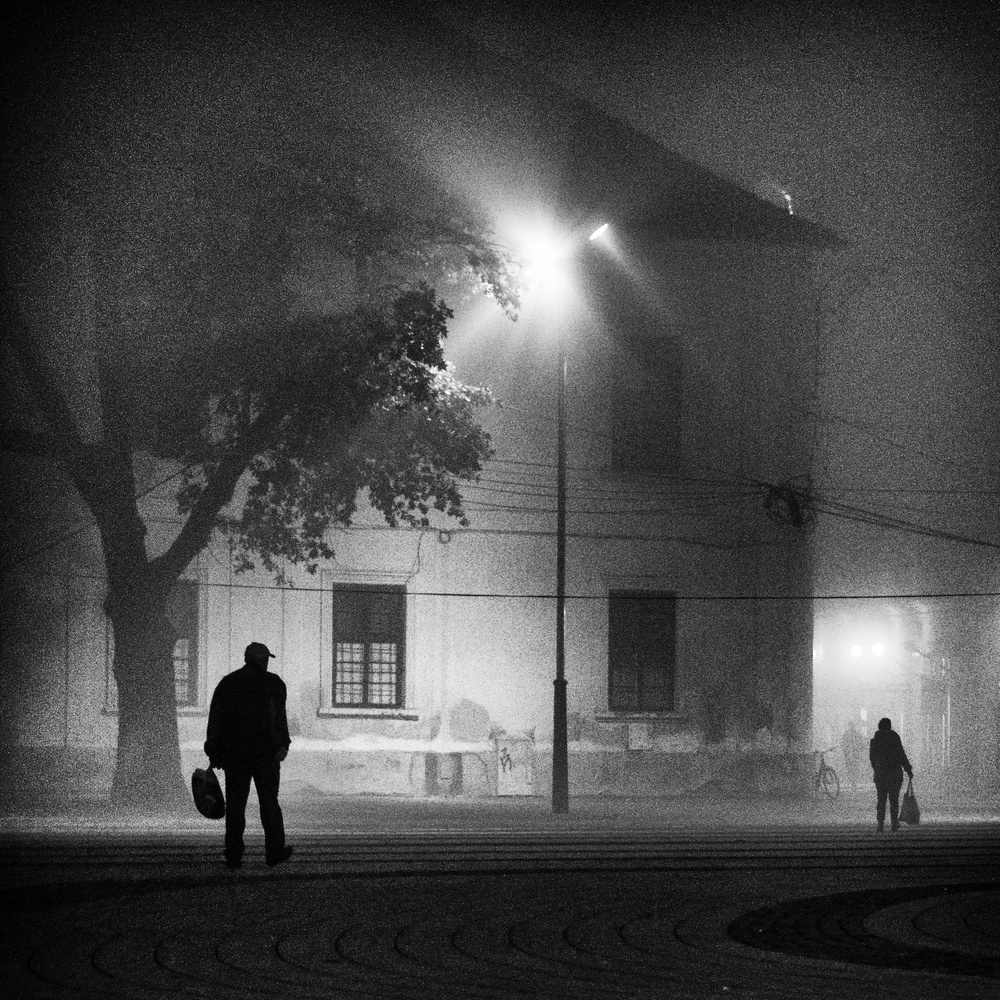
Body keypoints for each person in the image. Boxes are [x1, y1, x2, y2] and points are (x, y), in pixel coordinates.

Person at [205, 642, 293, 868]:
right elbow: (279, 719)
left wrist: (214, 751)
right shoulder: (274, 683)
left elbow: (217, 720)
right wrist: (283, 744)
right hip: (266, 754)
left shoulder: (228, 683)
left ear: (246, 659)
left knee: (236, 806)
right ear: (263, 660)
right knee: (269, 803)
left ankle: (234, 853)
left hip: (235, 755)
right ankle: (274, 851)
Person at [868, 717, 913, 832]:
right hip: (894, 773)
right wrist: (908, 769)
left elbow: (872, 759)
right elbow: (901, 754)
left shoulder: (875, 741)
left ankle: (880, 823)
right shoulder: (894, 738)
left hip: (880, 775)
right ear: (890, 726)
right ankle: (894, 822)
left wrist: (877, 768)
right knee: (894, 799)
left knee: (881, 799)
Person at [840, 719, 866, 791]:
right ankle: (853, 782)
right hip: (852, 754)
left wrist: (846, 751)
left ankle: (853, 782)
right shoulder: (853, 734)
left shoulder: (849, 734)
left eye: (851, 726)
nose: (851, 727)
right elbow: (861, 744)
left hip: (852, 754)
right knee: (853, 768)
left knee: (852, 768)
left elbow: (843, 744)